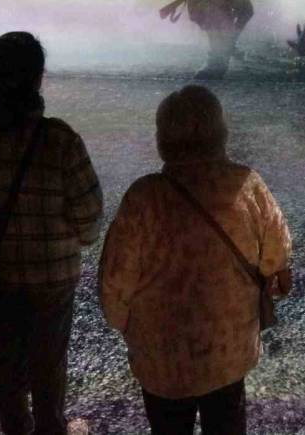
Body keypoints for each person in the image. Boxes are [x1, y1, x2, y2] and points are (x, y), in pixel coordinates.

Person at [99, 85, 293, 435]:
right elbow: (276, 256)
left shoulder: (143, 198)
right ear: (220, 132)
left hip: (162, 360)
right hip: (227, 353)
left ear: (162, 138)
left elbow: (115, 283)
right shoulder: (248, 186)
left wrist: (127, 327)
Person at [0, 32, 103, 435]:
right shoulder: (61, 140)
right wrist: (75, 240)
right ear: (39, 76)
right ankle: (52, 428)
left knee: (5, 361)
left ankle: (16, 428)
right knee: (49, 360)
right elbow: (90, 218)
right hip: (53, 277)